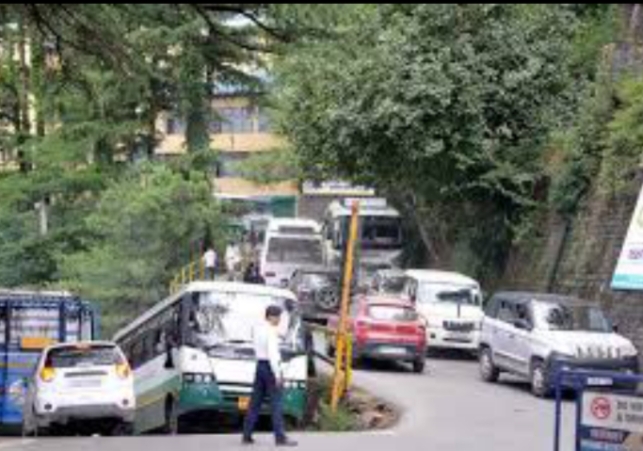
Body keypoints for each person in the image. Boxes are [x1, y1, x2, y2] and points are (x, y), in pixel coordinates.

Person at [242, 306, 297, 447]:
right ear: (271, 317)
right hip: (270, 368)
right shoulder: (271, 331)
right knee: (276, 404)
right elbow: (273, 354)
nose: (279, 319)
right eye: (278, 316)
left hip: (259, 366)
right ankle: (280, 438)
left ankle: (246, 435)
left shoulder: (258, 329)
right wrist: (278, 374)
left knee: (254, 403)